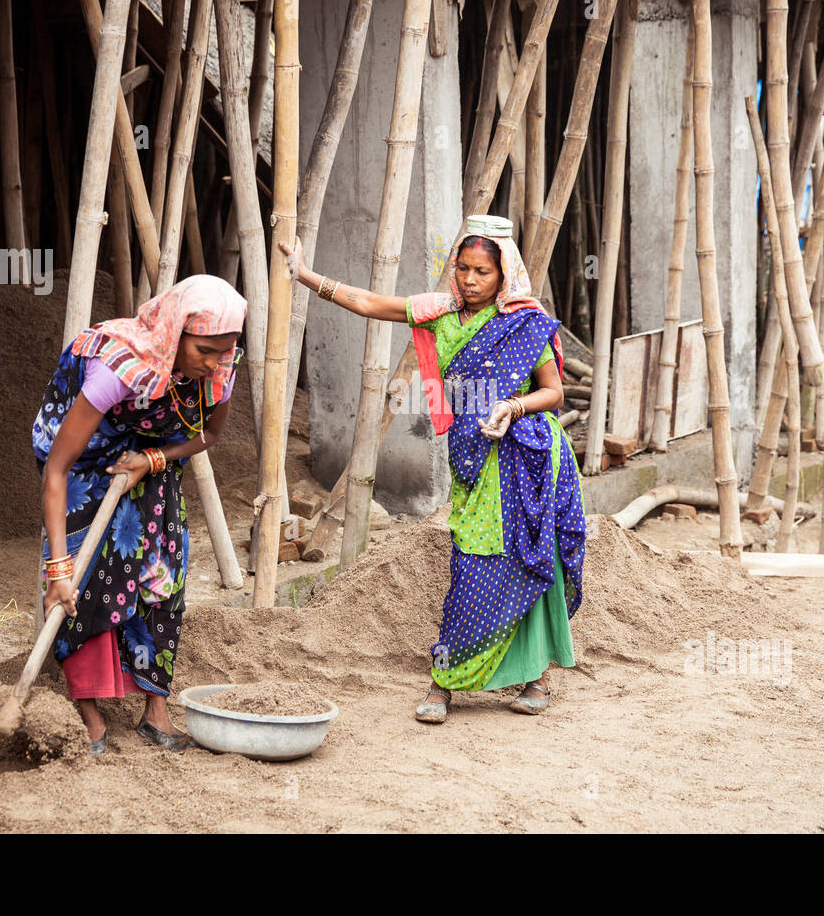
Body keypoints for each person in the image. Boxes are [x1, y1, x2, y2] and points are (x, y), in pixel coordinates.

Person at [279, 215, 586, 723]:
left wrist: (512, 407)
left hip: (526, 455)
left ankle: (524, 677)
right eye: (462, 268)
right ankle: (448, 679)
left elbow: (553, 393)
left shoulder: (527, 321)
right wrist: (306, 275)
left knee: (525, 557)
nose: (468, 280)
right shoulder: (438, 312)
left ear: (503, 273)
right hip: (472, 459)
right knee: (471, 563)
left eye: (482, 271)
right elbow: (370, 303)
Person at [31, 275, 247, 753]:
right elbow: (57, 468)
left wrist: (150, 461)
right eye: (205, 350)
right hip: (84, 466)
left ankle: (155, 708)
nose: (215, 363)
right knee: (84, 582)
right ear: (175, 335)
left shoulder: (220, 370)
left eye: (225, 351)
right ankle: (89, 711)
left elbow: (208, 436)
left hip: (152, 462)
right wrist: (57, 570)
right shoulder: (118, 368)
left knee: (163, 576)